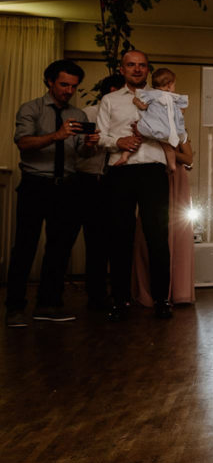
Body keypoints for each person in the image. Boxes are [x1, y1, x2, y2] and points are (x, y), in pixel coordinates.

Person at [6, 59, 98, 327]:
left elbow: (80, 152)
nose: (68, 91)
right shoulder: (31, 109)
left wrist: (90, 145)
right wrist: (55, 135)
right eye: (64, 84)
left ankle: (48, 304)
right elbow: (23, 143)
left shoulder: (79, 115)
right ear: (49, 82)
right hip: (35, 185)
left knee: (59, 249)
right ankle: (14, 308)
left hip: (67, 187)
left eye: (73, 86)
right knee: (25, 247)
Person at [97, 50, 173, 320]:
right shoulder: (109, 100)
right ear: (122, 69)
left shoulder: (162, 98)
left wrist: (149, 130)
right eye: (131, 65)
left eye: (142, 65)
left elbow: (173, 132)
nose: (137, 69)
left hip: (153, 170)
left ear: (148, 69)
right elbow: (100, 136)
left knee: (157, 237)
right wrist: (118, 142)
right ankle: (120, 301)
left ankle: (162, 300)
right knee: (119, 236)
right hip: (121, 172)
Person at [70, 73, 124, 311]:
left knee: (115, 240)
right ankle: (96, 295)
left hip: (115, 182)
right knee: (93, 242)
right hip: (87, 180)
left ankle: (119, 293)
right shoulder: (87, 114)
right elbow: (76, 153)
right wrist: (90, 144)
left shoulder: (127, 119)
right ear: (110, 92)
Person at [132, 135, 196, 306]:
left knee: (177, 232)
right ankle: (147, 290)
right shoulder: (144, 127)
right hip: (151, 176)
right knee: (147, 235)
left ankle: (177, 291)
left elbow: (189, 158)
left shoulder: (179, 131)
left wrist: (166, 149)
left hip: (176, 179)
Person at [116, 67, 187, 169]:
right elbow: (182, 110)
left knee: (137, 139)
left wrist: (138, 103)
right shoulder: (173, 97)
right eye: (174, 85)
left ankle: (124, 156)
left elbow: (141, 104)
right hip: (165, 128)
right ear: (169, 85)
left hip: (152, 125)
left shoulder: (151, 94)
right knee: (168, 147)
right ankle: (172, 165)